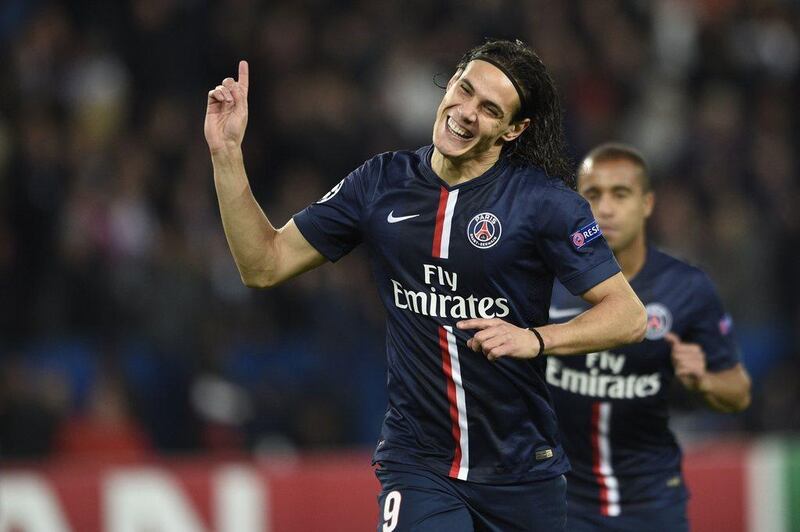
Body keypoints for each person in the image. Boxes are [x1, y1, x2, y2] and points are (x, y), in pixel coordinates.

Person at [204, 40, 647, 532]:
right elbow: (262, 264)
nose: (465, 113)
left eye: (489, 109)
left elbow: (628, 316)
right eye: (464, 89)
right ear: (451, 80)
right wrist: (226, 156)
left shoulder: (545, 204)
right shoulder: (379, 183)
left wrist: (537, 338)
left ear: (514, 129)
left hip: (523, 470)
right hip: (418, 465)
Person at [547, 143, 752, 531]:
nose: (605, 208)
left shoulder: (688, 287)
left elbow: (737, 392)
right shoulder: (545, 282)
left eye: (620, 194)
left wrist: (703, 381)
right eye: (593, 195)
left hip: (652, 499)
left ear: (647, 203)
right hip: (560, 500)